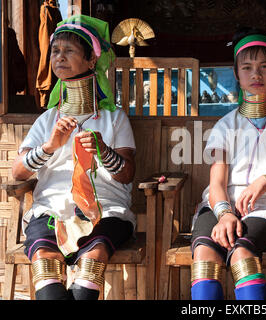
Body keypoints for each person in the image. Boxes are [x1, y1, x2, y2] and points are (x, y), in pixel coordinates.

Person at [11, 15, 136, 300]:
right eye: (55, 51)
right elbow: (16, 173)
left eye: (69, 51)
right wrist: (49, 146)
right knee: (44, 259)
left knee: (94, 256)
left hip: (106, 210)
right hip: (51, 210)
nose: (59, 57)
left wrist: (104, 151)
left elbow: (127, 174)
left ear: (92, 60)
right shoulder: (47, 120)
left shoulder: (114, 120)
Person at [189, 27, 266, 300]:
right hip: (220, 205)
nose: (256, 74)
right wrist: (225, 214)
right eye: (247, 68)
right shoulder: (226, 126)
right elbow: (217, 183)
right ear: (236, 74)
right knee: (205, 255)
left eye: (264, 67)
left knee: (241, 252)